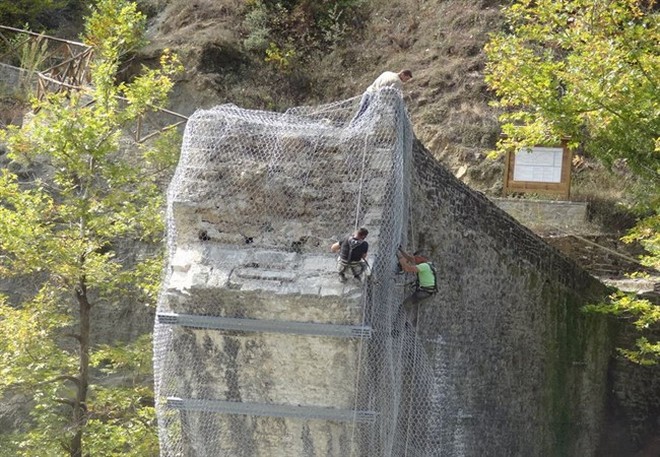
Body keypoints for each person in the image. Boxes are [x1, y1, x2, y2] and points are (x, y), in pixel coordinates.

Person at [397, 248, 437, 327]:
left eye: (416, 258)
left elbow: (407, 268)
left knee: (403, 306)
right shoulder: (429, 264)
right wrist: (401, 250)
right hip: (428, 291)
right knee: (409, 304)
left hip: (423, 292)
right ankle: (407, 323)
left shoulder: (423, 266)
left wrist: (401, 259)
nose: (414, 260)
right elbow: (411, 258)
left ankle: (397, 328)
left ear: (421, 258)